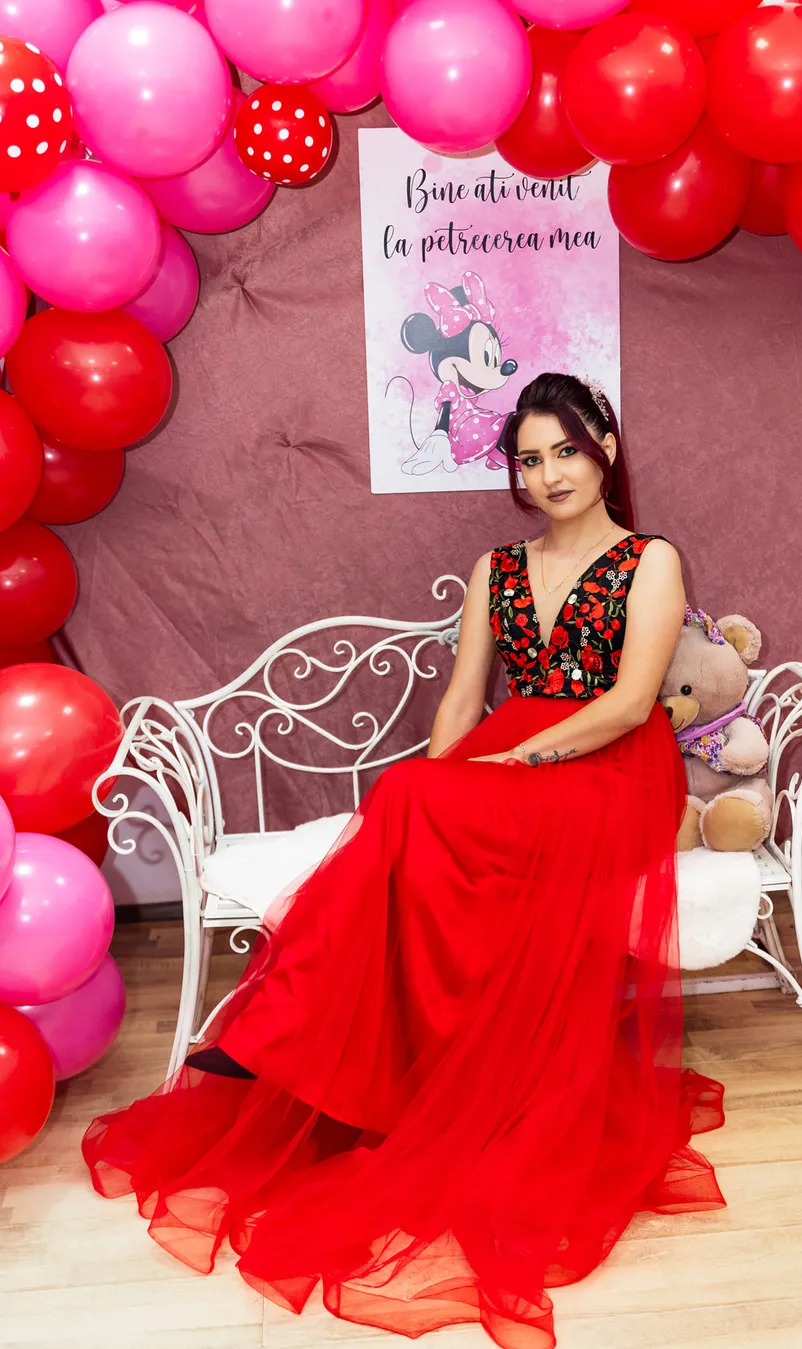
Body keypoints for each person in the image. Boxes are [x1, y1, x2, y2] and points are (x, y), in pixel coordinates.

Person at [83, 373, 725, 1349]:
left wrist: (513, 763)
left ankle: (278, 1022)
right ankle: (369, 1060)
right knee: (411, 800)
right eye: (529, 459)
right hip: (513, 758)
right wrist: (440, 785)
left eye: (565, 450)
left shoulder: (651, 559)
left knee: (417, 801)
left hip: (611, 768)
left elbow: (633, 703)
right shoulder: (496, 569)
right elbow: (462, 702)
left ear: (603, 443)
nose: (548, 474)